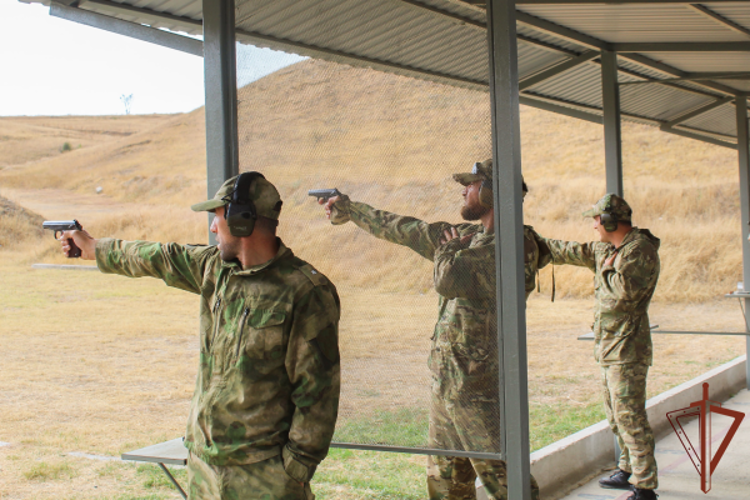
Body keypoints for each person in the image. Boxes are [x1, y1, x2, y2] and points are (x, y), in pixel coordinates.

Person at [59, 172, 341, 500]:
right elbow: (157, 256)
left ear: (241, 221)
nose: (212, 228)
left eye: (217, 217)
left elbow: (317, 392)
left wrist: (295, 469)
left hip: (264, 476)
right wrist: (93, 247)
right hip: (204, 470)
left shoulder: (304, 292)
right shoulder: (214, 269)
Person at [320, 159, 544, 500]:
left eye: (471, 184)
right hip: (449, 384)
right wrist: (350, 209)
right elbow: (406, 229)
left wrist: (449, 250)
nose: (465, 190)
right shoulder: (471, 235)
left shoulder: (514, 246)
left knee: (509, 484)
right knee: (446, 485)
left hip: (479, 390)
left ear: (491, 191)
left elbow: (449, 278)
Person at [535, 193, 660, 500]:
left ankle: (645, 486)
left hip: (628, 347)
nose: (593, 226)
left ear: (609, 220)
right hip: (610, 346)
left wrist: (604, 266)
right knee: (615, 414)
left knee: (630, 415)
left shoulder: (639, 251)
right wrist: (534, 241)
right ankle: (627, 468)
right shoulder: (610, 248)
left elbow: (625, 292)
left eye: (596, 219)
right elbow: (571, 251)